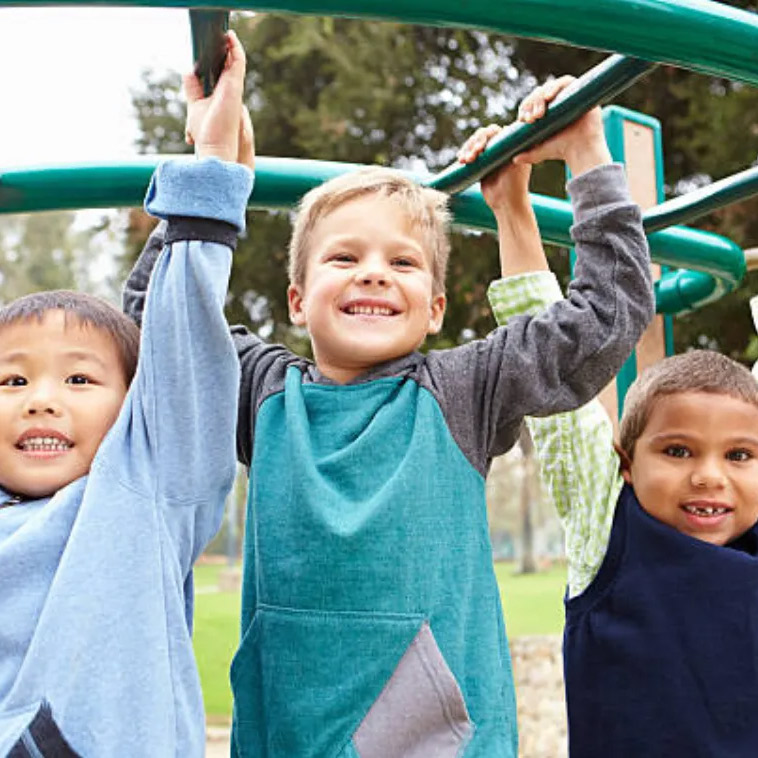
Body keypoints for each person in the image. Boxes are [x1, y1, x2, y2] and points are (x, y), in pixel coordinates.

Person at [124, 73, 654, 757]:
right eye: (344, 257)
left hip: (435, 740)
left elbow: (607, 315)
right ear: (296, 298)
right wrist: (213, 175)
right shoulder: (264, 394)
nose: (373, 273)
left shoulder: (466, 390)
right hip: (290, 732)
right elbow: (155, 334)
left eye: (402, 262)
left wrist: (587, 152)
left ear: (435, 308)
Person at [477, 84, 758, 758]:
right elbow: (547, 350)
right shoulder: (611, 525)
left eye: (740, 456)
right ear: (626, 466)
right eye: (679, 451)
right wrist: (522, 200)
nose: (710, 478)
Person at [0, 31, 253, 757]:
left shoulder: (141, 493)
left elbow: (179, 357)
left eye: (78, 379)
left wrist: (209, 173)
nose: (41, 400)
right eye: (12, 381)